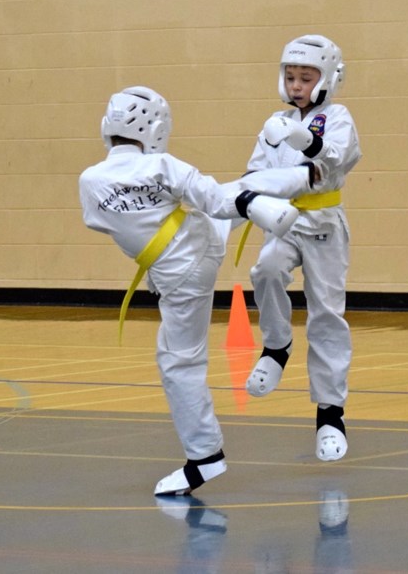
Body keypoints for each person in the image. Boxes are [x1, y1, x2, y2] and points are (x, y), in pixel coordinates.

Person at [79, 86, 317, 495]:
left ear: (107, 127)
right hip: (195, 247)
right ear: (155, 129)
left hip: (182, 271)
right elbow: (216, 202)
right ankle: (299, 171)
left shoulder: (89, 181)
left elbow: (102, 222)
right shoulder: (163, 165)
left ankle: (205, 457)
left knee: (179, 363)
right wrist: (249, 206)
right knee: (237, 191)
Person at [243, 34, 362, 461]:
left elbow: (333, 161)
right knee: (267, 269)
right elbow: (256, 170)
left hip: (325, 223)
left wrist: (300, 138)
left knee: (326, 314)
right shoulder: (273, 124)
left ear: (328, 78)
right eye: (290, 77)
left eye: (305, 78)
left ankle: (330, 414)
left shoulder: (339, 117)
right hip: (285, 221)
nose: (296, 86)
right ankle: (276, 347)